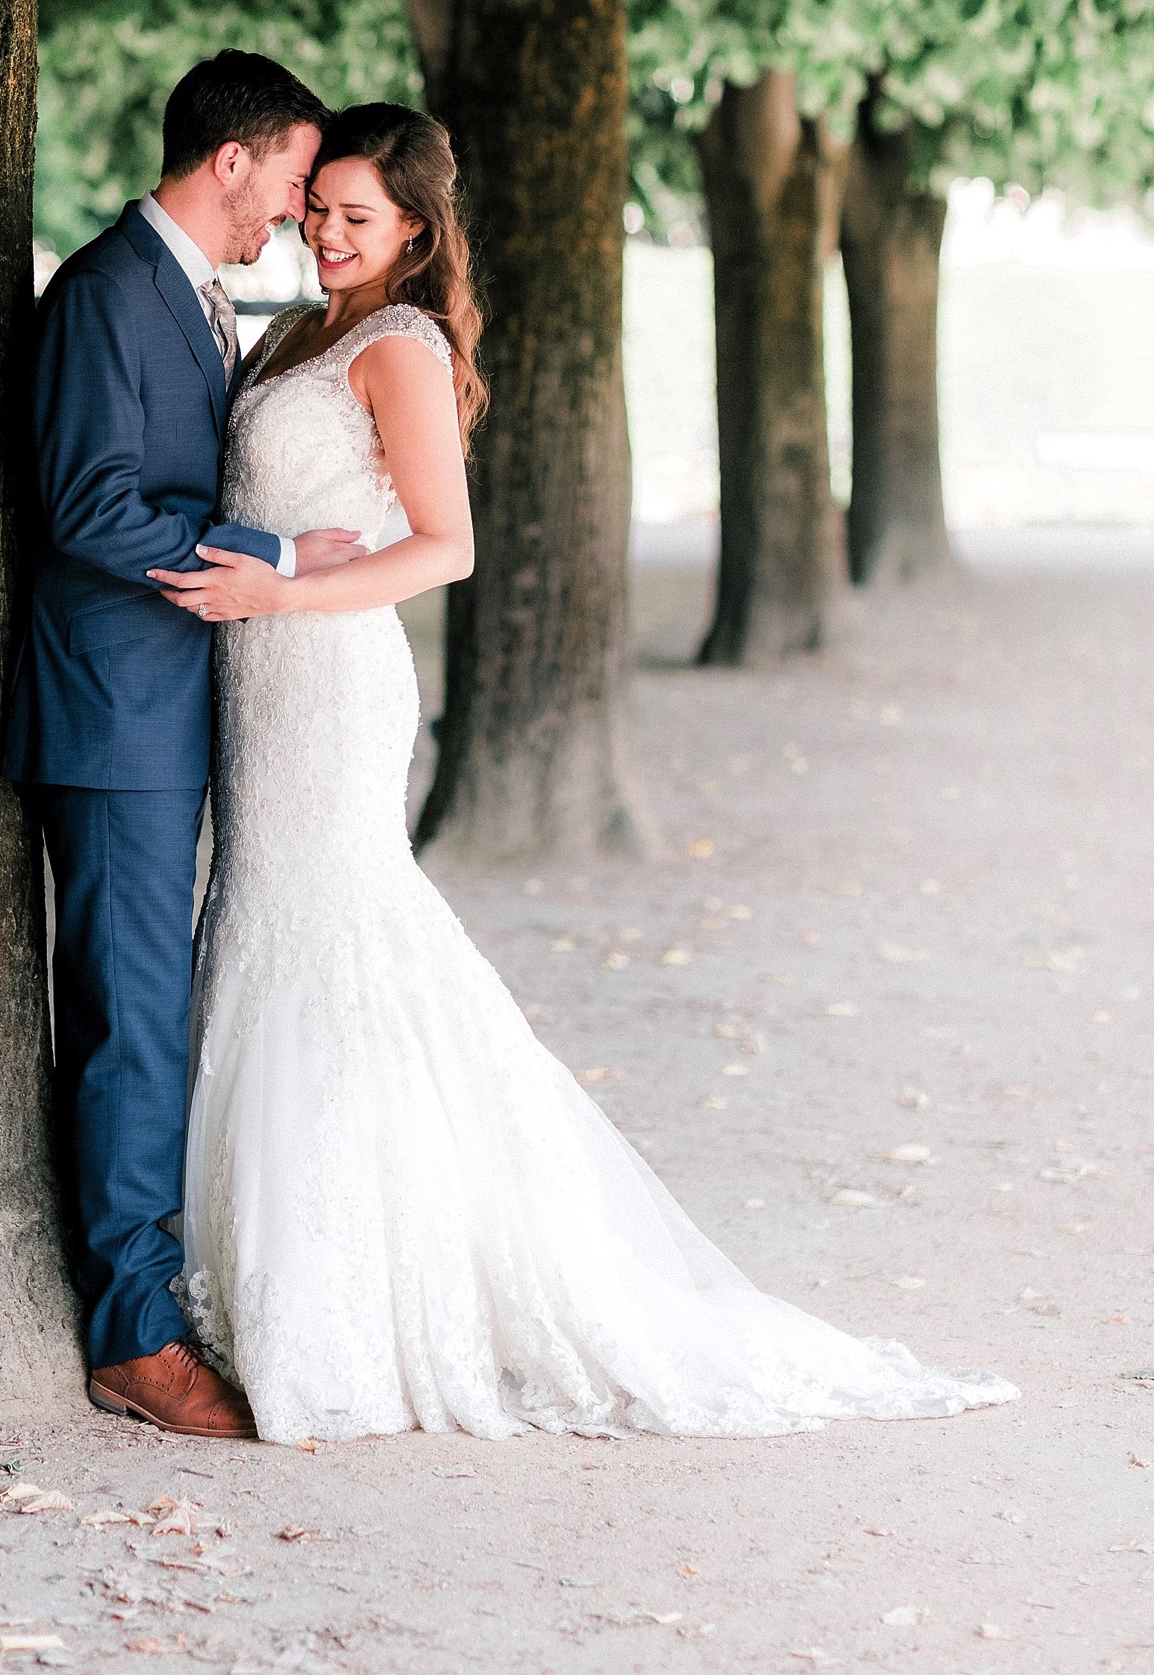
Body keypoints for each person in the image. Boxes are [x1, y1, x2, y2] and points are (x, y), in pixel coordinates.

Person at [149, 102, 1019, 1443]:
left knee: (334, 941)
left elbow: (446, 548)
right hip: (259, 683)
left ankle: (347, 1300)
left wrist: (289, 586)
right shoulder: (298, 327)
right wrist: (286, 559)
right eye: (318, 207)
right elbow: (299, 514)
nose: (324, 233)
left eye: (356, 219)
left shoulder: (400, 346)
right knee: (265, 930)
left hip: (327, 687)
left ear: (418, 234)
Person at [2, 51, 364, 1439]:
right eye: (287, 180)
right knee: (127, 1024)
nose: (292, 212)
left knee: (144, 1014)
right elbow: (88, 508)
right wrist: (269, 552)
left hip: (158, 706)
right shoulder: (105, 292)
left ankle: (144, 1295)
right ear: (235, 160)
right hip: (111, 714)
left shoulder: (194, 293)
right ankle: (135, 1336)